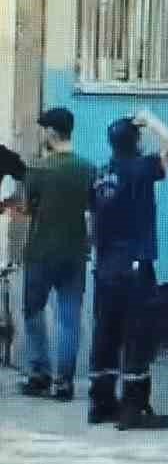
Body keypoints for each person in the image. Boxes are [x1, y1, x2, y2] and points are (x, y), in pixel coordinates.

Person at [88, 111, 168, 430]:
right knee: (137, 334)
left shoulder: (100, 174)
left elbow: (91, 219)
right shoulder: (141, 168)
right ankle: (134, 408)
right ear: (136, 141)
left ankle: (101, 403)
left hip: (105, 266)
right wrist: (152, 120)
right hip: (135, 266)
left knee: (106, 332)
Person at [14, 109, 95, 401]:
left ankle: (39, 375)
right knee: (69, 318)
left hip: (40, 253)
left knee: (34, 312)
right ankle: (64, 383)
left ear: (50, 133)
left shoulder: (38, 169)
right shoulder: (88, 168)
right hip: (75, 254)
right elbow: (93, 211)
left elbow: (25, 208)